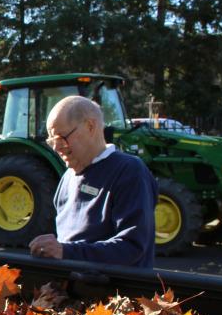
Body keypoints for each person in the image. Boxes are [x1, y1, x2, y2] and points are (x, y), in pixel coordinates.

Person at [29, 95, 158, 268]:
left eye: (61, 137)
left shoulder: (129, 171)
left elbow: (131, 248)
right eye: (52, 140)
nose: (56, 147)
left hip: (117, 292)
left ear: (90, 126)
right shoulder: (67, 178)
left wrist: (65, 252)